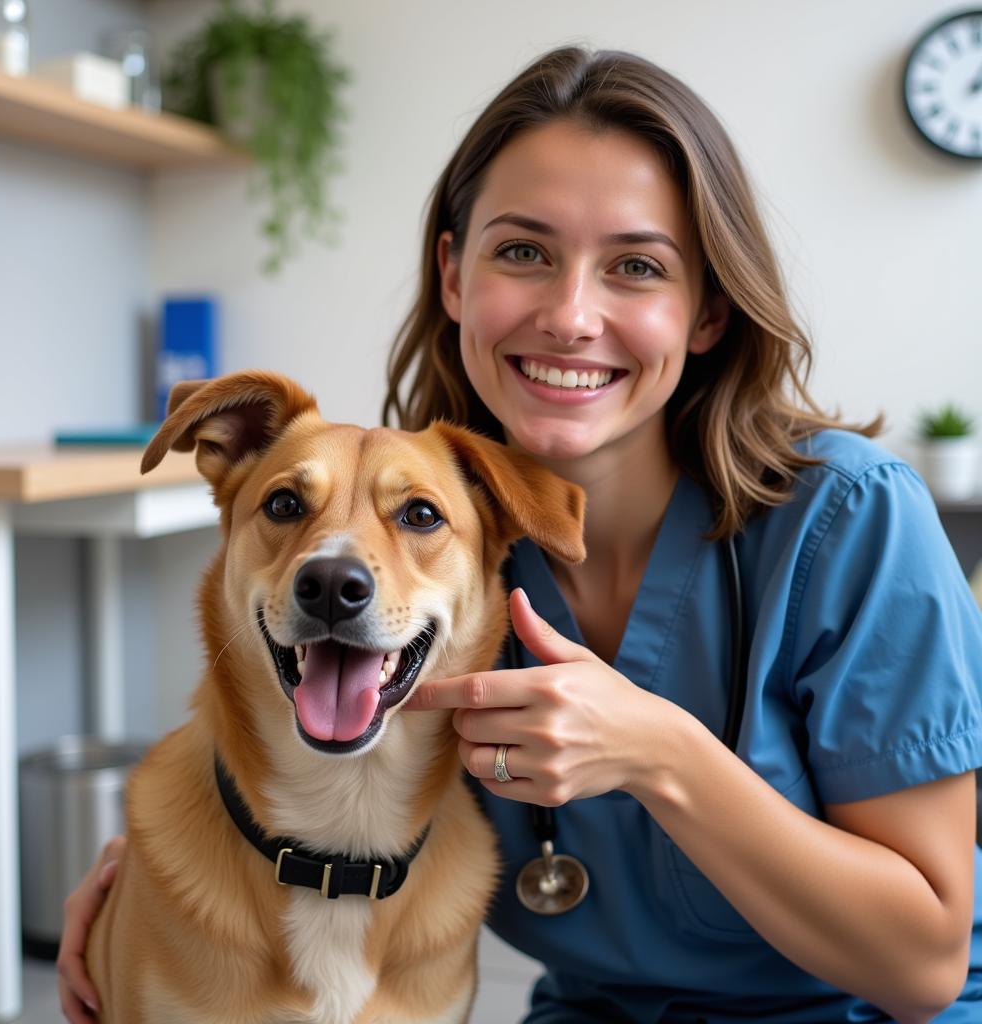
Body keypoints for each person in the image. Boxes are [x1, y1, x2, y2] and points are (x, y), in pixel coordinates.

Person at [59, 46, 982, 1023]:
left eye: (636, 266)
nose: (569, 315)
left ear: (706, 308)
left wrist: (658, 752)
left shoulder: (848, 518)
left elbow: (919, 965)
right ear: (455, 274)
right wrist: (153, 874)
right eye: (523, 251)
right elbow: (292, 753)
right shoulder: (438, 535)